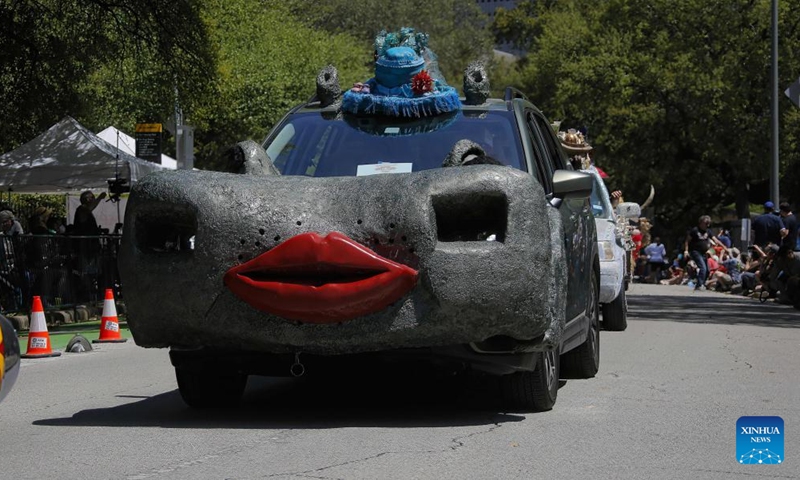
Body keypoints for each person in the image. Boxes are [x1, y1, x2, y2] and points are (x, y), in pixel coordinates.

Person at [684, 215, 720, 291]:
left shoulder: (708, 231)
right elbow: (687, 241)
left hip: (704, 253)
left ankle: (700, 284)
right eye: (706, 223)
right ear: (701, 223)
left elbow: (715, 240)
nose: (707, 224)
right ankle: (699, 285)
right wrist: (686, 251)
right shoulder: (695, 231)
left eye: (708, 223)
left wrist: (724, 247)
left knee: (707, 270)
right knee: (703, 268)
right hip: (695, 252)